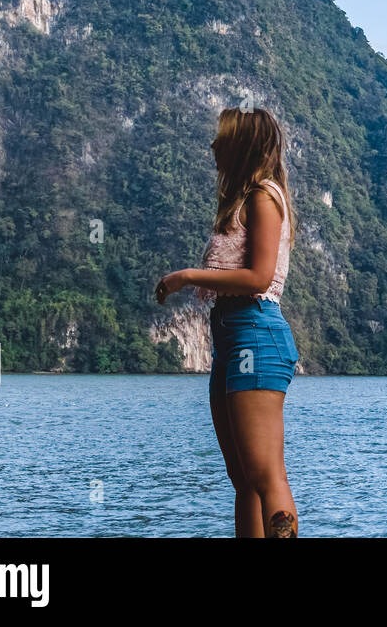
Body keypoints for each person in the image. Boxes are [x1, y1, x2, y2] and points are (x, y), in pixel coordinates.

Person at [156, 107, 300, 538]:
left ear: (241, 145)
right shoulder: (242, 199)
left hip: (255, 334)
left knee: (265, 475)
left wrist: (187, 277)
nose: (214, 145)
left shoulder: (263, 197)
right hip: (232, 337)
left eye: (222, 138)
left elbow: (259, 277)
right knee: (243, 480)